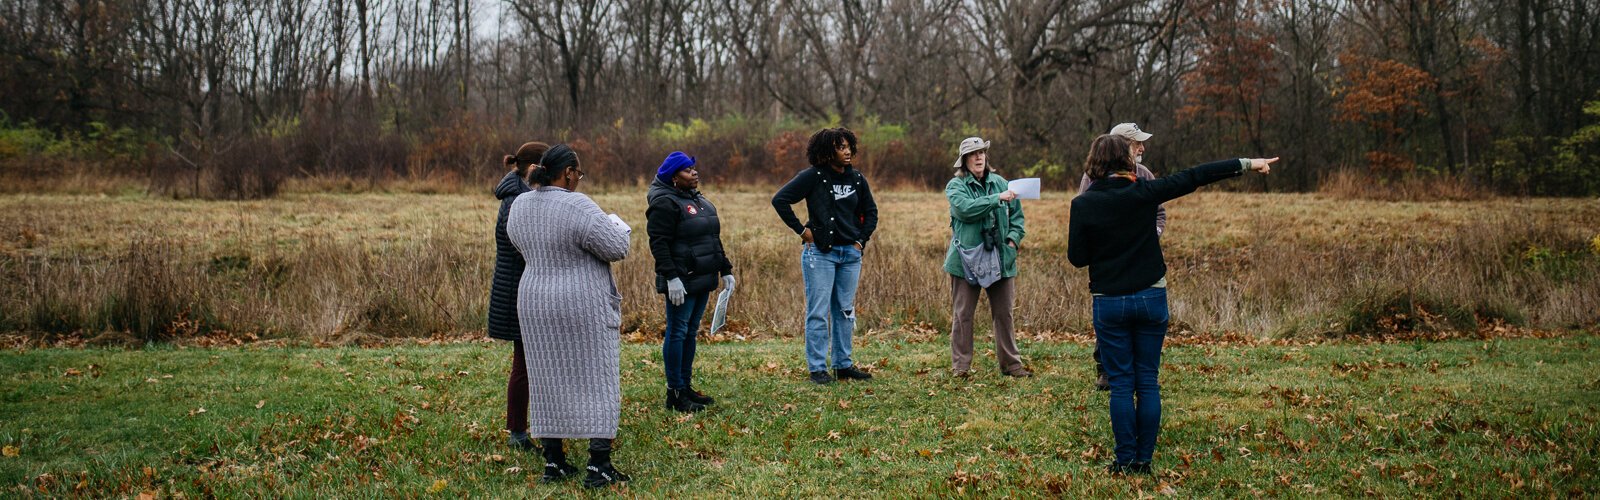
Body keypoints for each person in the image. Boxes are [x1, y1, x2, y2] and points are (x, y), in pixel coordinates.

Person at [1067, 134, 1277, 476]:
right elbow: (1194, 175)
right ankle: (1143, 461)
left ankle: (1124, 461)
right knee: (1147, 381)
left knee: (1121, 383)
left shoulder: (1083, 204)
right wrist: (1247, 163)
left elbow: (1077, 258)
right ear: (1127, 162)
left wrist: (1102, 247)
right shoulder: (1145, 192)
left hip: (1109, 302)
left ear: (1095, 164)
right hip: (1151, 297)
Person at [507, 143, 634, 488]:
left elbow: (517, 241)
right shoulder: (577, 205)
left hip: (534, 300)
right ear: (567, 173)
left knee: (546, 377)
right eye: (578, 173)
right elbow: (616, 247)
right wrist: (620, 228)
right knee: (598, 375)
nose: (579, 179)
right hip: (581, 303)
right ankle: (598, 464)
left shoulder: (519, 205)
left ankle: (554, 460)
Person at [771, 127, 879, 385]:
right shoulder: (813, 177)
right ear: (826, 151)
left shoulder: (857, 179)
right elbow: (780, 200)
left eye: (848, 146)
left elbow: (871, 212)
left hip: (850, 255)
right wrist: (801, 230)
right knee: (818, 312)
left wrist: (860, 241)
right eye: (840, 147)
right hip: (820, 254)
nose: (847, 151)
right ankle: (818, 368)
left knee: (844, 311)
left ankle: (843, 365)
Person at [1078, 123, 1166, 391]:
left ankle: (1142, 370)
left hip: (1141, 260)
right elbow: (1085, 213)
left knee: (1138, 314)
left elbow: (1159, 212)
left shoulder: (1144, 174)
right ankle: (1105, 368)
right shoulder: (1093, 177)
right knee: (1109, 313)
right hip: (1109, 263)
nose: (1142, 147)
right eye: (1137, 142)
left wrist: (1152, 233)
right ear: (1121, 145)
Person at [645, 151, 735, 412]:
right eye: (687, 170)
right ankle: (674, 392)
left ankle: (685, 386)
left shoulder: (699, 200)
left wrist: (725, 269)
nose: (694, 172)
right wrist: (671, 277)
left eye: (694, 168)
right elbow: (658, 243)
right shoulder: (664, 202)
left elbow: (712, 239)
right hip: (681, 281)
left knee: (690, 332)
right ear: (674, 177)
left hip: (702, 278)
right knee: (678, 331)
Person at [943, 137, 1031, 378]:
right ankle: (961, 367)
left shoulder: (1001, 182)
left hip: (1001, 258)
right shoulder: (956, 186)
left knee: (1004, 314)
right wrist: (996, 199)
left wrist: (1012, 242)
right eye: (973, 154)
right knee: (963, 316)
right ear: (964, 160)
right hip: (966, 260)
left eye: (982, 152)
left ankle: (1012, 366)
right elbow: (965, 210)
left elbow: (1018, 218)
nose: (979, 157)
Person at [488, 141, 548, 451]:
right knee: (524, 364)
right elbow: (524, 246)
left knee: (526, 362)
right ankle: (518, 432)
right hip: (517, 291)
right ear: (534, 167)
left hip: (521, 286)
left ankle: (527, 427)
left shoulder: (520, 194)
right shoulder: (517, 200)